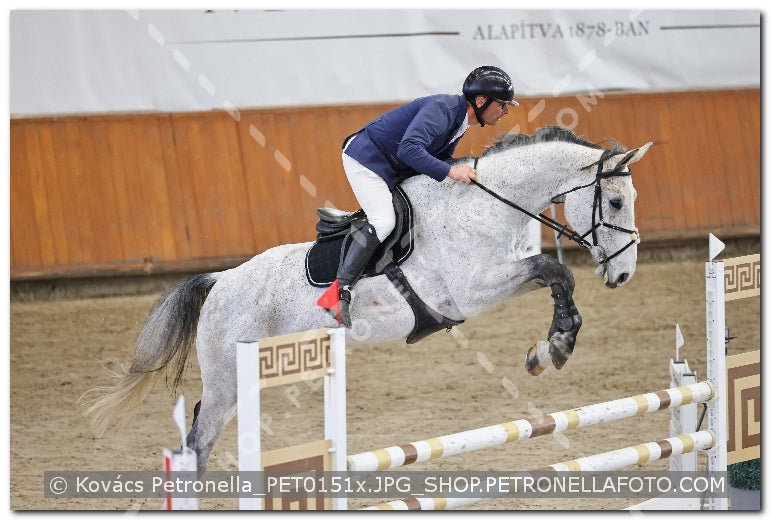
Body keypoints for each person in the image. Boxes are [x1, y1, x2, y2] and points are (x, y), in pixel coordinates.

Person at [318, 65, 519, 327]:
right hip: (367, 160)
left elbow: (440, 159)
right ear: (481, 101)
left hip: (392, 165)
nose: (506, 111)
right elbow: (410, 149)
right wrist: (452, 172)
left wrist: (461, 172)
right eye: (502, 104)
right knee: (383, 221)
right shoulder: (443, 110)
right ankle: (338, 292)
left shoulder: (460, 121)